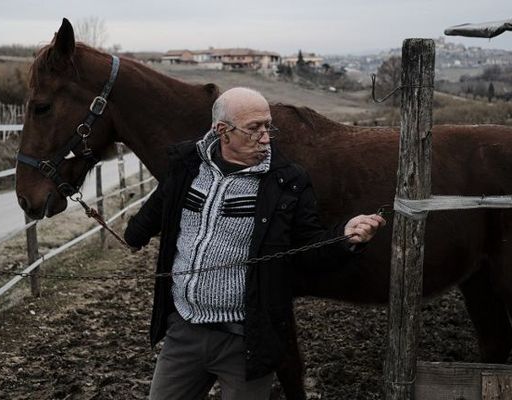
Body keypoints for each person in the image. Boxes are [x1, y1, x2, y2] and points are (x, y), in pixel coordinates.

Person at [124, 87, 385, 400]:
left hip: (246, 343)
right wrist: (133, 235)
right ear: (222, 131)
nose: (265, 137)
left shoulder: (286, 181)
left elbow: (306, 248)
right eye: (254, 128)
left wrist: (344, 237)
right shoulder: (187, 165)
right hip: (184, 334)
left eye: (267, 126)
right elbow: (158, 208)